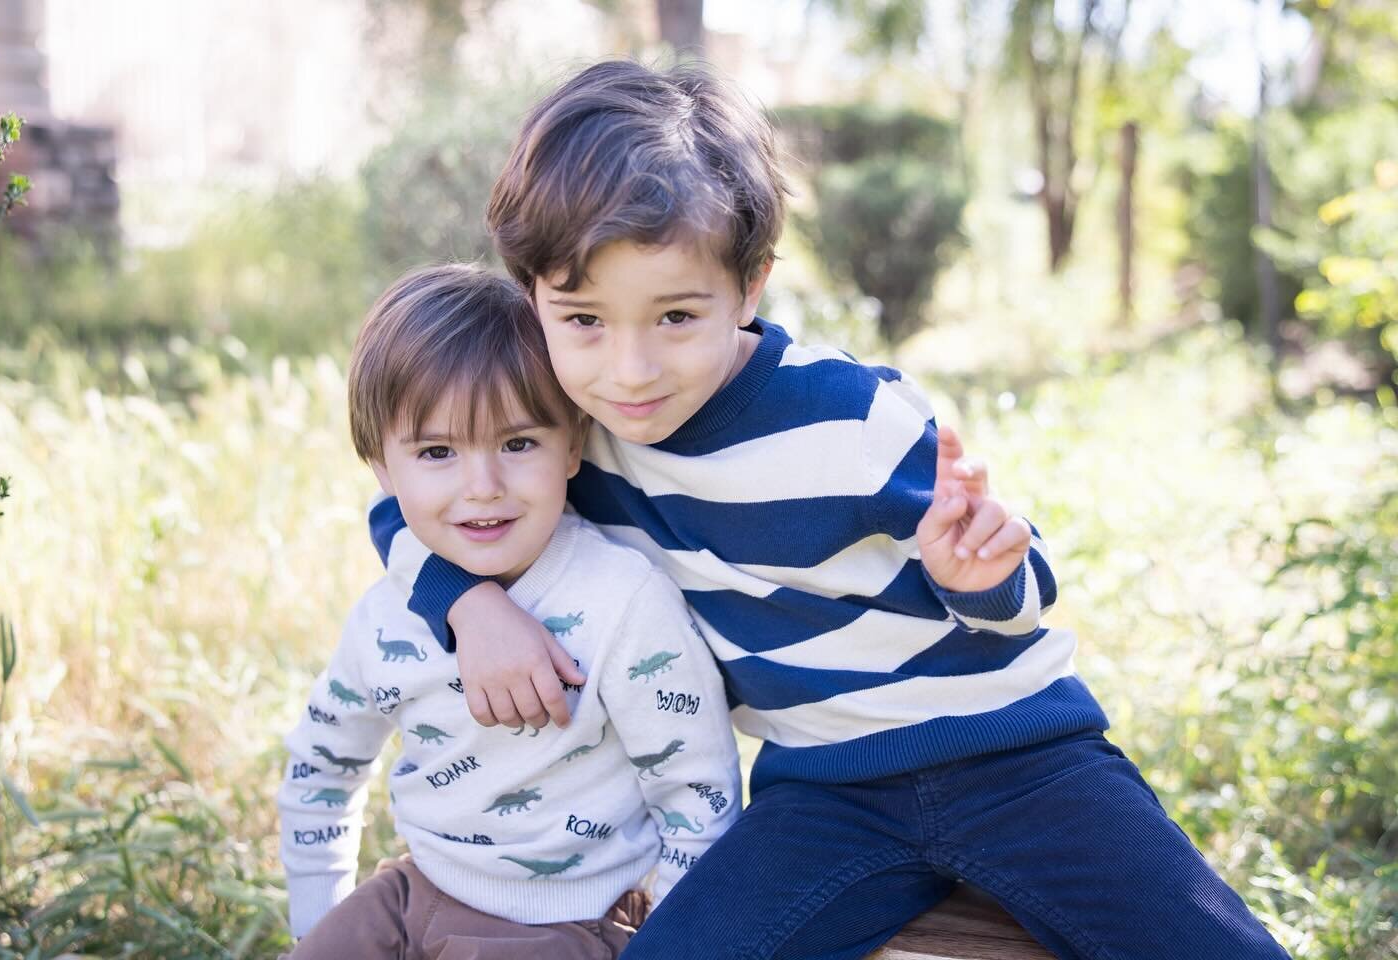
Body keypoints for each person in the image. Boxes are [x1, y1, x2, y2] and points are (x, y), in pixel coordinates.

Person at [372, 61, 1291, 960]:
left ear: (751, 284)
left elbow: (1021, 587)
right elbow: (409, 508)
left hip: (1018, 761)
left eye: (677, 317)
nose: (630, 369)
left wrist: (981, 575)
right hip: (820, 794)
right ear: (531, 291)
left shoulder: (850, 417)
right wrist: (471, 603)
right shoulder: (566, 435)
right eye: (583, 320)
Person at [277, 263, 741, 959]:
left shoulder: (622, 601)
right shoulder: (384, 621)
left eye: (518, 444)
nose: (483, 488)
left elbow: (697, 791)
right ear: (381, 467)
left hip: (570, 920)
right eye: (436, 452)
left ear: (573, 445)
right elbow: (321, 765)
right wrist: (318, 921)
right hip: (417, 891)